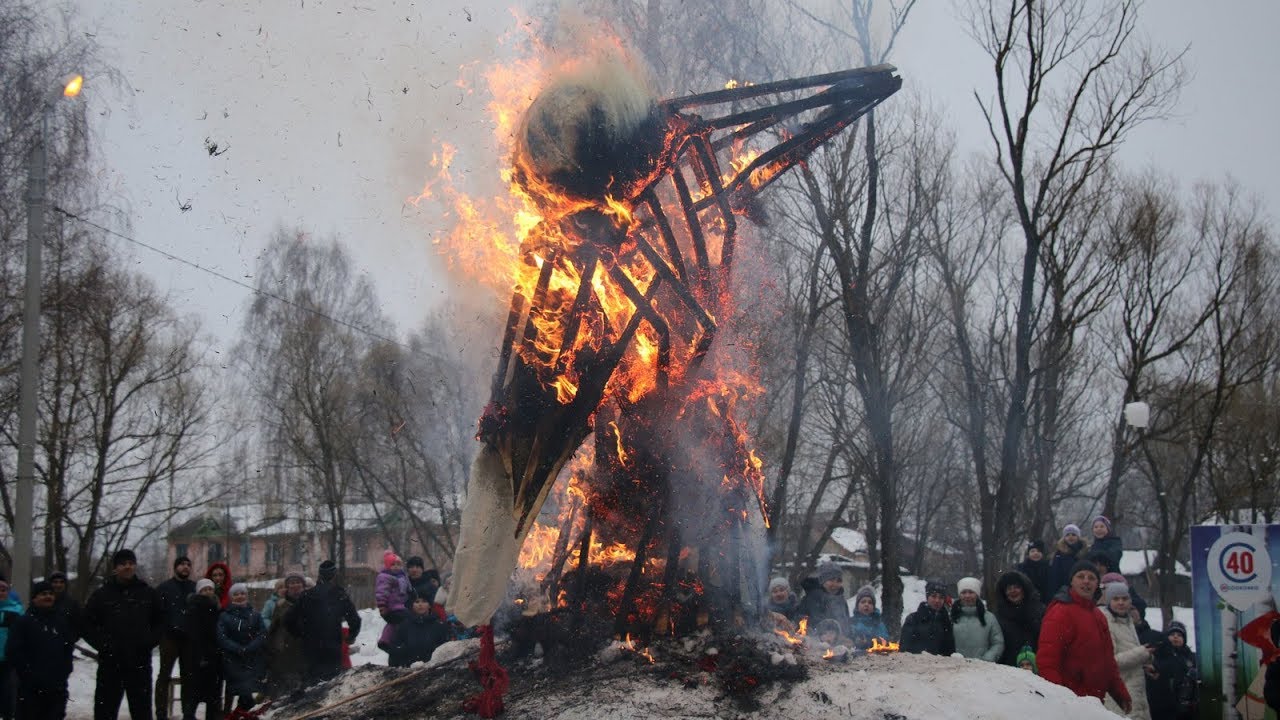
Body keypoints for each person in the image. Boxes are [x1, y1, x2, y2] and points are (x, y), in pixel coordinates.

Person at [1037, 560, 1131, 712]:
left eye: (1092, 578)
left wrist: (1119, 691)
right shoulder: (1060, 612)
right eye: (1081, 576)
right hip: (1071, 705)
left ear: (1097, 585)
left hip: (1094, 704)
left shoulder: (1098, 616)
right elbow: (1047, 662)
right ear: (1071, 582)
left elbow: (1108, 661)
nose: (1086, 581)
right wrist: (1061, 701)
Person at [82, 548, 163, 720]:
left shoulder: (147, 593)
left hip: (139, 662)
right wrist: (104, 645)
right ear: (115, 568)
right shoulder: (102, 595)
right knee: (105, 711)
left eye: (131, 563)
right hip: (111, 662)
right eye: (123, 564)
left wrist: (148, 641)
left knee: (141, 711)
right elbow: (87, 624)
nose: (128, 567)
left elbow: (161, 622)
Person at [5, 580, 77, 720]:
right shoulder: (23, 622)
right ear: (34, 598)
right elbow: (13, 651)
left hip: (56, 689)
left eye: (50, 593)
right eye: (43, 594)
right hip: (30, 689)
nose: (48, 597)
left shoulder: (61, 622)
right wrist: (28, 674)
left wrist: (65, 671)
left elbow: (68, 648)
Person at [285, 559, 361, 684]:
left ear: (319, 575)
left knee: (312, 684)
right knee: (331, 684)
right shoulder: (339, 594)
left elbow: (289, 619)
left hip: (311, 646)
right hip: (332, 646)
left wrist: (300, 634)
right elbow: (354, 619)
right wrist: (351, 636)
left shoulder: (307, 595)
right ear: (334, 575)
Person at [1101, 582, 1153, 719]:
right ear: (1109, 601)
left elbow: (1130, 652)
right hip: (1119, 695)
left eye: (1124, 599)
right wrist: (1142, 653)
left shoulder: (1128, 621)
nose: (1121, 603)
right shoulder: (1106, 623)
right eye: (1116, 599)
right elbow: (1111, 662)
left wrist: (1147, 661)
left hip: (1136, 692)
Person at [154, 556, 195, 720]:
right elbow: (157, 613)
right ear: (175, 567)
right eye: (182, 564)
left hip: (189, 639)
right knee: (164, 676)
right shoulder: (164, 588)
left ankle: (188, 712)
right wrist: (165, 630)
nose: (185, 567)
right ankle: (161, 713)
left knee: (188, 676)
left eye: (188, 565)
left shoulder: (194, 588)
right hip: (169, 638)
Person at [216, 584, 266, 715]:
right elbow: (221, 637)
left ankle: (241, 714)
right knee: (241, 691)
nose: (240, 596)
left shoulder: (255, 614)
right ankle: (237, 714)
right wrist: (237, 648)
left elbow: (262, 633)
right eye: (236, 594)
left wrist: (251, 647)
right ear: (231, 597)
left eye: (242, 593)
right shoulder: (224, 616)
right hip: (233, 660)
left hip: (251, 658)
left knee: (247, 691)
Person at [180, 579, 222, 720]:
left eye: (210, 589)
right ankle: (189, 715)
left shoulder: (216, 606)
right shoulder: (195, 608)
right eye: (204, 590)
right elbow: (194, 634)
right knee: (196, 691)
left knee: (212, 694)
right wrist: (201, 655)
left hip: (213, 655)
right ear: (199, 592)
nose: (207, 592)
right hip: (200, 656)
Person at [265, 574, 307, 699]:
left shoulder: (309, 603)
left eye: (298, 582)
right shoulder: (281, 605)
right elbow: (273, 628)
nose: (295, 585)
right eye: (291, 583)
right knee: (282, 693)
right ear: (287, 586)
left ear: (303, 585)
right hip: (284, 653)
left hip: (303, 652)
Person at [1148, 621, 1197, 720]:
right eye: (1172, 634)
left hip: (1187, 706)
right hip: (1164, 705)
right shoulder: (1160, 654)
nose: (1175, 637)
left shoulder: (1191, 657)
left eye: (1179, 635)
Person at [389, 591, 451, 668]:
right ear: (412, 605)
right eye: (417, 602)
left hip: (435, 671)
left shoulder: (439, 625)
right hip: (408, 672)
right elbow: (395, 650)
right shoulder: (404, 626)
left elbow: (446, 650)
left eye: (424, 601)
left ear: (429, 605)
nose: (420, 604)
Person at [994, 570, 1044, 666]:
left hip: (1036, 665)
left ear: (1024, 589)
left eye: (1017, 587)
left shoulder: (1039, 610)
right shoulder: (998, 616)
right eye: (1009, 588)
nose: (1013, 591)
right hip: (1009, 667)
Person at [951, 576, 1003, 662]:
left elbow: (998, 643)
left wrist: (987, 659)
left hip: (982, 669)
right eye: (963, 592)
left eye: (971, 592)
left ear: (977, 595)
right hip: (956, 669)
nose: (967, 596)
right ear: (959, 595)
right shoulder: (951, 617)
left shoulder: (989, 618)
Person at [797, 563, 850, 638]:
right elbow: (811, 623)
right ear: (823, 581)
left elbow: (846, 623)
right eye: (831, 580)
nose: (835, 584)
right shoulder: (812, 599)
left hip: (839, 644)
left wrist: (848, 637)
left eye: (839, 581)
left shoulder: (841, 600)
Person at [901, 581, 955, 656]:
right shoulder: (913, 619)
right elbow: (904, 648)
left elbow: (950, 650)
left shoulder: (946, 621)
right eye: (933, 596)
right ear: (927, 597)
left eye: (941, 597)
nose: (937, 600)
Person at [375, 552, 411, 652]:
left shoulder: (402, 576)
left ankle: (386, 640)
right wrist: (382, 605)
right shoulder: (385, 577)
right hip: (392, 605)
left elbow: (408, 589)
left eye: (398, 564)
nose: (396, 567)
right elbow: (381, 592)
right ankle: (385, 640)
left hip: (400, 604)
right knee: (400, 620)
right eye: (392, 564)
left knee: (394, 624)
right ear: (387, 566)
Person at [0, 576, 23, 719]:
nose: (1, 593)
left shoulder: (16, 611)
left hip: (8, 660)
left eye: (3, 590)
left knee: (8, 694)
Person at [1049, 524, 1090, 595]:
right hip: (1063, 589)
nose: (1070, 537)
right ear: (1064, 537)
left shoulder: (1085, 552)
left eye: (1073, 534)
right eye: (1067, 535)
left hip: (1081, 587)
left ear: (1078, 537)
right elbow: (1055, 573)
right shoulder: (1059, 553)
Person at [848, 585, 888, 652]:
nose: (866, 604)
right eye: (863, 602)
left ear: (873, 607)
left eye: (870, 602)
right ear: (857, 605)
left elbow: (884, 640)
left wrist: (870, 641)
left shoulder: (879, 623)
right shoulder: (851, 622)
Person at [1015, 540, 1054, 607]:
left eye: (1038, 551)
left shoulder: (1048, 567)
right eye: (1032, 551)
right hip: (1026, 602)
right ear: (1028, 554)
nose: (1036, 553)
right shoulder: (1021, 568)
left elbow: (1050, 585)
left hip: (1044, 602)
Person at [47, 571, 81, 635]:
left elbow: (79, 625)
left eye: (61, 582)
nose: (58, 585)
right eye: (55, 582)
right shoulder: (43, 601)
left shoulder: (72, 603)